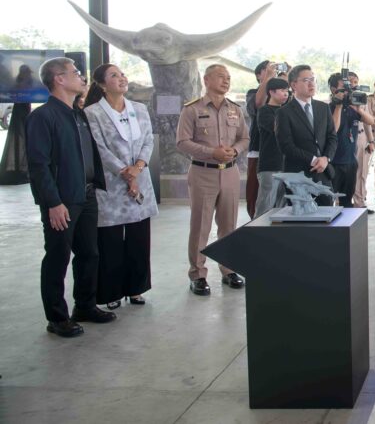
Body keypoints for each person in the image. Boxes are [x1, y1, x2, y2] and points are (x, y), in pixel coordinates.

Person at [26, 57, 115, 337]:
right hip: (62, 200)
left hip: (86, 195)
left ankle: (85, 307)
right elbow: (38, 166)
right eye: (76, 73)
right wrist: (53, 203)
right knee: (58, 256)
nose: (82, 77)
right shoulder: (43, 117)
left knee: (89, 253)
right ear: (59, 79)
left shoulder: (78, 114)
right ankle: (56, 318)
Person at [83, 64, 158, 309]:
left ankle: (136, 288)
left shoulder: (139, 108)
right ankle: (111, 292)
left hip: (140, 178)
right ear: (102, 85)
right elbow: (99, 148)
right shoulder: (93, 112)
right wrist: (124, 172)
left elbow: (148, 140)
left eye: (122, 74)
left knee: (139, 238)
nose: (122, 78)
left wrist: (138, 167)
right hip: (112, 183)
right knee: (110, 241)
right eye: (114, 76)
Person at [176, 64, 249, 296]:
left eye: (228, 77)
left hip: (230, 172)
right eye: (220, 77)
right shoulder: (192, 109)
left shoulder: (235, 109)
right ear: (206, 80)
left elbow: (244, 138)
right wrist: (211, 153)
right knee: (200, 226)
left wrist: (235, 151)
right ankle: (198, 274)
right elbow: (182, 142)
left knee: (229, 225)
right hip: (203, 172)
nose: (226, 81)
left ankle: (229, 270)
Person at [274, 65, 336, 205]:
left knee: (327, 215)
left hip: (323, 173)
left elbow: (332, 137)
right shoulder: (284, 112)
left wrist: (326, 158)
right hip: (298, 176)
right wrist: (314, 160)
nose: (311, 83)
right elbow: (286, 146)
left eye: (313, 79)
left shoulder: (323, 108)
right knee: (302, 217)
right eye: (306, 80)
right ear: (293, 85)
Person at [327, 73, 375, 211]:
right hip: (334, 162)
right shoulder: (328, 108)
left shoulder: (352, 108)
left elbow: (371, 121)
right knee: (329, 200)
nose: (347, 91)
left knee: (347, 201)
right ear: (333, 89)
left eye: (349, 88)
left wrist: (359, 110)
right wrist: (339, 106)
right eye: (343, 88)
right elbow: (333, 129)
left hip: (350, 161)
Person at [244, 60, 289, 218]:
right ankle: (257, 227)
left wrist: (288, 77)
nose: (273, 70)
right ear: (258, 75)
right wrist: (269, 77)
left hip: (283, 160)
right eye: (267, 69)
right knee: (261, 199)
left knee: (281, 202)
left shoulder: (285, 107)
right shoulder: (254, 94)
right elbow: (258, 103)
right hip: (261, 154)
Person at [253, 77, 290, 217]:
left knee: (283, 206)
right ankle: (257, 229)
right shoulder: (264, 111)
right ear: (271, 92)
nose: (286, 94)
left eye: (287, 91)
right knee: (265, 206)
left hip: (286, 165)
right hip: (270, 165)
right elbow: (278, 129)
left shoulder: (287, 110)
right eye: (282, 90)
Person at [348, 71, 374, 207]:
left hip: (361, 136)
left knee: (362, 172)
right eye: (350, 81)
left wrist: (371, 141)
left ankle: (360, 202)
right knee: (345, 171)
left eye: (355, 82)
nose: (353, 84)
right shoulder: (340, 98)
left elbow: (367, 122)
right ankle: (342, 202)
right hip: (346, 138)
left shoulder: (362, 98)